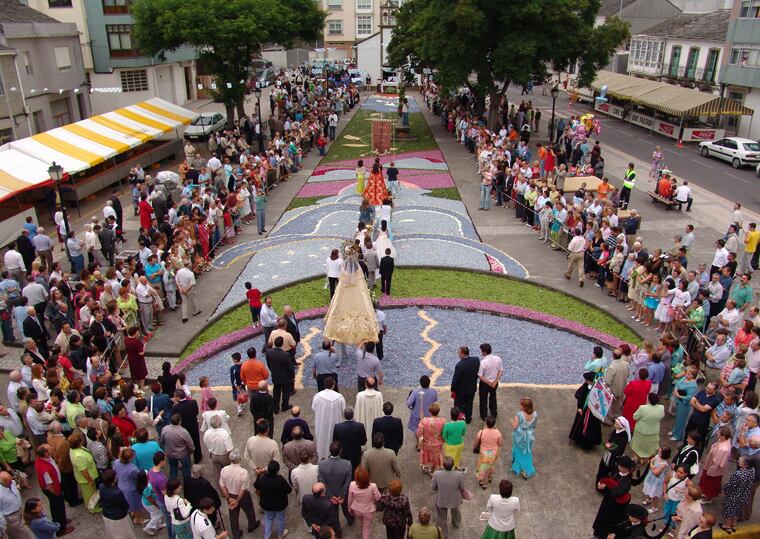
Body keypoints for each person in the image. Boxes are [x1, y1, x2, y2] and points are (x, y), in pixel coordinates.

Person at [33, 445, 74, 536]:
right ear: (46, 453)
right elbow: (48, 485)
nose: (52, 448)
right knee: (58, 508)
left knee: (57, 506)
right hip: (53, 490)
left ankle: (61, 520)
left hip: (55, 485)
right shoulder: (44, 469)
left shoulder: (43, 459)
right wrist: (56, 493)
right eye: (50, 449)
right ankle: (61, 529)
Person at [218, 449, 259, 538]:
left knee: (233, 515)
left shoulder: (224, 470)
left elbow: (222, 486)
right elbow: (243, 489)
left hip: (230, 495)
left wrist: (228, 497)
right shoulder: (243, 472)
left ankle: (236, 534)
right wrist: (237, 500)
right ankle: (252, 524)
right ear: (239, 459)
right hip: (242, 495)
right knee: (249, 510)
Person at [592, 455, 633, 538]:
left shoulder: (627, 481)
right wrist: (602, 484)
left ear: (625, 468)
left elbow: (618, 492)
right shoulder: (617, 471)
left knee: (608, 521)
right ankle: (598, 531)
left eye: (620, 466)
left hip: (614, 506)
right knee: (602, 516)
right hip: (607, 499)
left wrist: (606, 487)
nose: (618, 466)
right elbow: (609, 479)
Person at [318, 442, 354, 534]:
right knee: (346, 509)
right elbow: (347, 482)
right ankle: (350, 520)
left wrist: (330, 496)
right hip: (343, 493)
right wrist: (342, 495)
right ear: (340, 451)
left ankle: (338, 531)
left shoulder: (321, 464)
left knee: (334, 515)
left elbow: (322, 482)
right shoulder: (347, 464)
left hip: (330, 494)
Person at [253, 460, 291, 539]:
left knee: (268, 519)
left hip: (267, 504)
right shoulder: (280, 479)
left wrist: (259, 475)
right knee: (280, 519)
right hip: (280, 505)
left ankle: (267, 536)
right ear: (277, 470)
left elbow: (256, 485)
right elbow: (289, 490)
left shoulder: (263, 479)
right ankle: (280, 535)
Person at [98, 469, 139, 539]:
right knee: (124, 534)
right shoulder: (116, 493)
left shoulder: (101, 486)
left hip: (107, 515)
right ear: (112, 479)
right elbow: (125, 505)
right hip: (119, 517)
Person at [312, 377, 346, 460]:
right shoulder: (339, 397)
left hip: (322, 424)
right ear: (333, 385)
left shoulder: (317, 396)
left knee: (322, 442)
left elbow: (313, 408)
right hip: (336, 424)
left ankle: (322, 457)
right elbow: (344, 410)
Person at [719, 456, 754, 534]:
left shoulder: (738, 474)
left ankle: (727, 526)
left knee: (728, 510)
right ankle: (733, 525)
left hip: (733, 495)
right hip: (742, 495)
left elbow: (731, 485)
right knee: (736, 510)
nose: (738, 461)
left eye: (740, 460)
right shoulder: (752, 471)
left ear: (746, 464)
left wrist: (724, 491)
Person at [430, 456, 464, 535]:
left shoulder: (437, 474)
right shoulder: (459, 474)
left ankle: (444, 533)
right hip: (454, 498)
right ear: (453, 465)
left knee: (441, 517)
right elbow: (462, 488)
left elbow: (433, 487)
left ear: (443, 465)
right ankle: (456, 524)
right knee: (456, 511)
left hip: (441, 498)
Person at [112, 448, 145, 526]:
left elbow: (114, 472)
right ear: (129, 458)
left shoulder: (116, 462)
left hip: (120, 486)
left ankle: (130, 513)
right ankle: (138, 519)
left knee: (127, 502)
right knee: (136, 504)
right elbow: (138, 476)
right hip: (131, 489)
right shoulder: (132, 468)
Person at [570, 372, 602, 449]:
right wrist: (579, 407)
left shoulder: (598, 389)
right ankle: (579, 441)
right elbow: (579, 396)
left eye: (587, 380)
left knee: (590, 427)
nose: (585, 381)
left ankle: (587, 445)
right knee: (582, 425)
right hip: (583, 409)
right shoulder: (585, 386)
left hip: (592, 412)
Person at [699, 426, 732, 504]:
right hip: (709, 465)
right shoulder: (723, 441)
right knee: (706, 483)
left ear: (723, 436)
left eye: (719, 433)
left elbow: (716, 463)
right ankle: (705, 494)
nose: (717, 433)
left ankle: (708, 498)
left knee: (710, 485)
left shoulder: (723, 449)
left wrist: (710, 472)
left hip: (713, 470)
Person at [68, 433, 100, 513]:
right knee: (90, 494)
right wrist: (90, 480)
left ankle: (91, 505)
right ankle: (93, 508)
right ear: (79, 443)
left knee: (91, 493)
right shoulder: (78, 456)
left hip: (90, 474)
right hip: (87, 479)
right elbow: (83, 470)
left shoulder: (75, 448)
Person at [348, 467, 381, 539]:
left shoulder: (352, 485)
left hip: (357, 509)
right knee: (366, 529)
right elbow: (378, 497)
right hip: (368, 510)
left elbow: (350, 499)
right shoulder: (373, 486)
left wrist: (349, 509)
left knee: (360, 524)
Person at [160, 413, 194, 483]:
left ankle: (173, 482)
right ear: (180, 421)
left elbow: (162, 441)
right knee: (186, 468)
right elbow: (190, 444)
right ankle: (188, 483)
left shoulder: (165, 429)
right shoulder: (183, 431)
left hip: (170, 453)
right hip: (182, 454)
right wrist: (191, 450)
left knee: (173, 468)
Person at [451, 346, 480, 424]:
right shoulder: (476, 360)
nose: (458, 355)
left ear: (463, 354)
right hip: (471, 388)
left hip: (461, 391)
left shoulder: (459, 365)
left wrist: (453, 389)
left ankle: (459, 419)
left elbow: (455, 380)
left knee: (458, 405)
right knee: (469, 404)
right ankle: (468, 419)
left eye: (459, 353)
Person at [631, 393, 665, 458]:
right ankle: (647, 457)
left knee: (638, 446)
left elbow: (635, 417)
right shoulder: (661, 408)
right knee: (650, 446)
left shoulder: (643, 408)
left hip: (641, 430)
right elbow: (661, 416)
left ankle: (637, 457)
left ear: (648, 400)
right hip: (653, 430)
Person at [332, 408, 366, 472]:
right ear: (353, 415)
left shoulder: (338, 427)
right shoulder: (360, 426)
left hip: (343, 455)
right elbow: (363, 442)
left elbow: (335, 442)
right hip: (355, 456)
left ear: (344, 415)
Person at [511, 397, 537, 480]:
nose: (519, 405)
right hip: (529, 436)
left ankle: (520, 467)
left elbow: (514, 427)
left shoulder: (519, 415)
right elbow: (534, 425)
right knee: (527, 452)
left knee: (519, 451)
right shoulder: (535, 414)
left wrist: (511, 421)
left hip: (520, 437)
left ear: (524, 406)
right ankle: (526, 468)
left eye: (521, 404)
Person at [672, 367, 699, 441]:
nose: (686, 375)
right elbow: (678, 383)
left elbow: (689, 397)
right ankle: (674, 430)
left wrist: (679, 395)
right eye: (686, 373)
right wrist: (676, 390)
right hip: (678, 400)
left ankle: (678, 435)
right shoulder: (684, 378)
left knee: (681, 420)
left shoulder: (693, 385)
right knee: (677, 417)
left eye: (689, 374)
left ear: (693, 376)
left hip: (683, 404)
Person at [417, 404, 445, 474]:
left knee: (427, 456)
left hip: (427, 443)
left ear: (430, 412)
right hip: (438, 444)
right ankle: (435, 467)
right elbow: (444, 432)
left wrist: (420, 441)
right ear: (438, 412)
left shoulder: (424, 420)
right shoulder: (442, 421)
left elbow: (419, 432)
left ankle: (427, 468)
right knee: (436, 455)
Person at [641, 446, 671, 514]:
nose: (658, 453)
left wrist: (651, 466)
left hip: (657, 481)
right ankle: (649, 499)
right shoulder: (658, 456)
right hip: (651, 477)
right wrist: (653, 467)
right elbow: (651, 461)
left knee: (655, 494)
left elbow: (656, 473)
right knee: (650, 489)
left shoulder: (664, 464)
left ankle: (655, 507)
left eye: (660, 452)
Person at [475, 416, 502, 489]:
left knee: (484, 467)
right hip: (494, 453)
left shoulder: (481, 432)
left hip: (484, 454)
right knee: (491, 465)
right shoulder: (498, 432)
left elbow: (477, 442)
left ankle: (484, 482)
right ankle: (490, 476)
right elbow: (500, 443)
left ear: (486, 423)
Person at [355, 377, 384, 444]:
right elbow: (381, 410)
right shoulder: (379, 395)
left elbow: (357, 411)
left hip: (363, 421)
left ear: (365, 384)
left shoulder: (360, 395)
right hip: (376, 421)